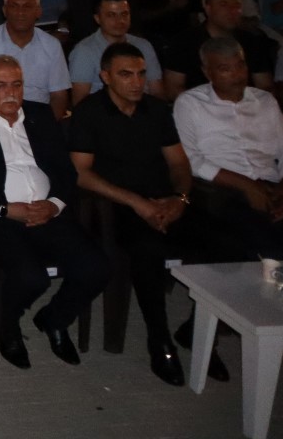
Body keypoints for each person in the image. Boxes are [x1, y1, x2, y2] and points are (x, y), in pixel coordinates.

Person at [0, 57, 108, 369]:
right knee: (31, 277)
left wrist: (55, 204)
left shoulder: (40, 114)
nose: (10, 92)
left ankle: (54, 318)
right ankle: (7, 326)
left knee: (96, 268)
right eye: (0, 85)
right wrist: (5, 208)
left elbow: (65, 170)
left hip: (48, 212)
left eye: (16, 84)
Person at [68, 42, 200, 385]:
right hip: (116, 208)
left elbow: (179, 163)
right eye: (126, 74)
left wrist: (180, 199)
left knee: (222, 241)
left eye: (141, 74)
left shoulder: (156, 110)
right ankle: (160, 339)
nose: (137, 82)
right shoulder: (89, 113)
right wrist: (137, 203)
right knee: (146, 252)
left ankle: (198, 328)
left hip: (166, 201)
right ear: (106, 76)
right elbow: (81, 173)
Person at [172, 37, 283, 259]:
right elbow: (191, 160)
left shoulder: (264, 101)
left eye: (240, 65)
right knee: (271, 248)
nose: (236, 74)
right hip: (224, 193)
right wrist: (246, 185)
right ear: (207, 72)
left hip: (273, 187)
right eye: (225, 69)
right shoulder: (190, 103)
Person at [161, 0, 277, 99]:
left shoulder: (252, 42)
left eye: (237, 5)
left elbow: (265, 85)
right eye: (223, 5)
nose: (232, 11)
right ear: (208, 9)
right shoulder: (184, 42)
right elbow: (173, 89)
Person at [68, 0, 164, 102]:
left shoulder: (144, 45)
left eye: (124, 14)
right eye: (111, 15)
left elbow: (156, 91)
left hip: (143, 110)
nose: (120, 21)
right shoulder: (84, 51)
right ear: (97, 18)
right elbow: (80, 101)